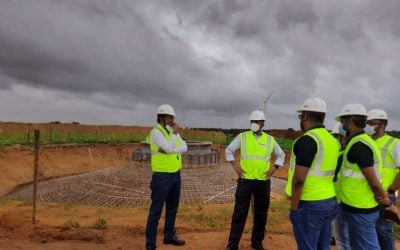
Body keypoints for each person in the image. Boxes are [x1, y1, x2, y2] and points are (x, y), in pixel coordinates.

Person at [225, 110, 285, 250]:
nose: (254, 124)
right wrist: (236, 168)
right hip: (245, 181)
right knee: (240, 212)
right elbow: (229, 150)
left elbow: (281, 154)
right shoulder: (243, 137)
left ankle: (257, 242)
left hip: (263, 182)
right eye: (252, 122)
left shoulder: (269, 139)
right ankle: (233, 243)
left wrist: (274, 169)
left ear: (263, 123)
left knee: (261, 212)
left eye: (257, 122)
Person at [285, 97, 340, 250]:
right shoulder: (332, 141)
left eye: (301, 116)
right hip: (329, 200)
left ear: (306, 116)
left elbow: (299, 180)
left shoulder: (307, 141)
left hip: (310, 204)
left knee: (307, 246)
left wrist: (294, 209)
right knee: (323, 245)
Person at [335, 103, 392, 249]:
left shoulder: (359, 145)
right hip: (358, 206)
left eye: (343, 121)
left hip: (361, 209)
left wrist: (387, 202)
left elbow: (373, 182)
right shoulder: (363, 141)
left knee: (368, 246)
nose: (342, 125)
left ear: (349, 120)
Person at [145, 104, 188, 250]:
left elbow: (184, 147)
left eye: (172, 118)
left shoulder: (171, 133)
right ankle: (150, 244)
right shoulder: (156, 133)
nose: (172, 120)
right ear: (162, 118)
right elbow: (170, 148)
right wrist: (174, 139)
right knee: (156, 211)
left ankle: (169, 236)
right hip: (161, 177)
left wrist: (172, 148)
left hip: (175, 175)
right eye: (170, 117)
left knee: (172, 208)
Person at [367, 109, 400, 250]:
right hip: (368, 195)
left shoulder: (394, 143)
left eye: (371, 122)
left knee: (383, 230)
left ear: (381, 123)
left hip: (386, 194)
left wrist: (391, 191)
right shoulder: (366, 141)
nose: (368, 124)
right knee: (370, 231)